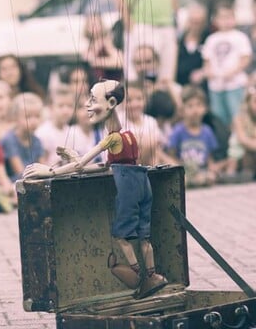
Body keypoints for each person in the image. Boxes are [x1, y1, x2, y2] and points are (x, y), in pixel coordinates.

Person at [24, 79, 168, 299]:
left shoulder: (111, 138)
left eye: (93, 98)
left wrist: (50, 172)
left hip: (129, 190)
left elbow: (83, 166)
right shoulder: (128, 136)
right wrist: (77, 160)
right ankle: (154, 274)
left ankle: (139, 278)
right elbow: (108, 166)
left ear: (111, 103)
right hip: (143, 185)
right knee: (144, 237)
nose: (87, 104)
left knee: (122, 237)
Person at [203, 3, 252, 126]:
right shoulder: (211, 39)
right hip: (216, 85)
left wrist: (232, 72)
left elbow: (246, 58)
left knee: (237, 114)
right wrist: (208, 72)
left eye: (229, 17)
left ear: (234, 18)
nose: (226, 21)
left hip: (235, 84)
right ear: (215, 20)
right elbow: (207, 60)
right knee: (218, 116)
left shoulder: (240, 37)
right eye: (222, 17)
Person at [167, 86, 218, 187]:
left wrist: (212, 169)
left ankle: (197, 181)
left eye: (199, 105)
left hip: (201, 171)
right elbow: (171, 155)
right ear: (182, 110)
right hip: (183, 172)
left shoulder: (207, 131)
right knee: (182, 180)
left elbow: (209, 158)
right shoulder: (178, 130)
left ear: (205, 108)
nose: (195, 110)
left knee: (211, 177)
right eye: (190, 106)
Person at [0, 93, 45, 182]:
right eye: (28, 116)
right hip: (14, 182)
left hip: (32, 180)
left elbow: (43, 167)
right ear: (15, 117)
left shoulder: (37, 141)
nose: (33, 121)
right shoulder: (10, 139)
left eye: (37, 116)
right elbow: (20, 172)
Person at [35, 86, 75, 167]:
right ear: (50, 107)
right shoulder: (43, 133)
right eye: (61, 106)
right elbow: (41, 164)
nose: (65, 111)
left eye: (70, 106)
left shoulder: (72, 131)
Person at [176, 4, 210, 87]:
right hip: (180, 83)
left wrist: (203, 72)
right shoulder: (178, 40)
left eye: (199, 22)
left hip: (202, 85)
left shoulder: (209, 40)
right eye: (192, 22)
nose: (195, 26)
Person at [83, 14, 123, 81]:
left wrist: (95, 62)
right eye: (90, 24)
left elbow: (120, 61)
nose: (93, 26)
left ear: (101, 25)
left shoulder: (107, 42)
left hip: (109, 83)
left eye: (96, 23)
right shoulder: (89, 47)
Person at [231, 85, 256, 179]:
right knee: (248, 154)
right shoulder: (239, 119)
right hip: (240, 157)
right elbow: (243, 141)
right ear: (248, 103)